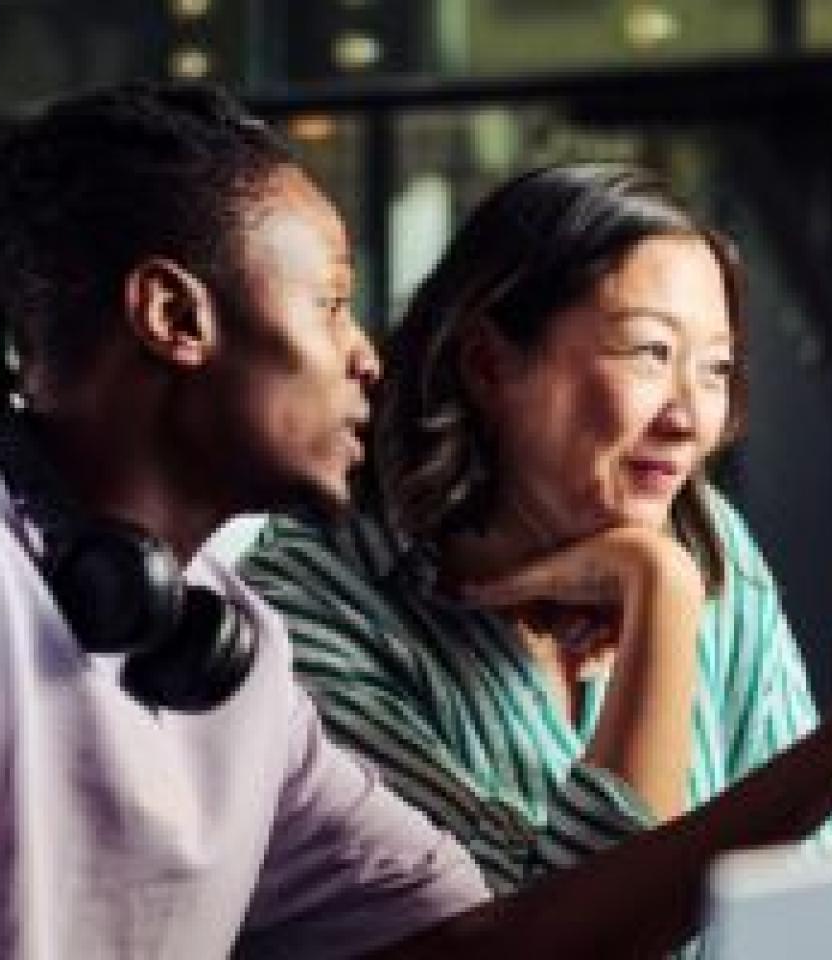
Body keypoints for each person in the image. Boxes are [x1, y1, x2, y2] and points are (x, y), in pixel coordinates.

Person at [0, 84, 832, 959]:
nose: (367, 356)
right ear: (176, 317)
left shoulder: (240, 670)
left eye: (716, 369)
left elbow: (499, 946)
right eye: (331, 304)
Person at [239, 165, 830, 909]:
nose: (688, 421)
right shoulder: (309, 615)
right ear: (489, 364)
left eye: (714, 370)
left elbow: (799, 881)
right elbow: (565, 937)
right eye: (649, 353)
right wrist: (662, 597)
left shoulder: (704, 533)